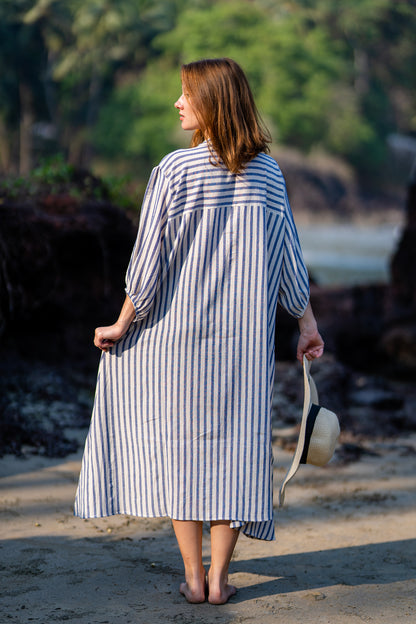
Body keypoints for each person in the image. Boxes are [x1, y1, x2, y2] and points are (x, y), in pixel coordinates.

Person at [74, 57, 324, 605]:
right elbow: (287, 257)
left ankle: (191, 577)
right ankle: (218, 581)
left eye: (186, 94)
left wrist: (120, 324)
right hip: (242, 351)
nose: (177, 103)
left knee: (185, 457)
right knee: (236, 453)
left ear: (211, 103)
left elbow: (147, 265)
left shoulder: (174, 171)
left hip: (176, 349)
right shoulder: (269, 174)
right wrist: (305, 322)